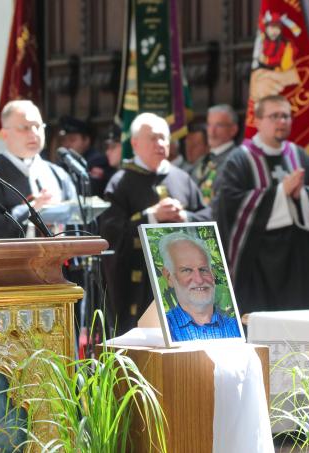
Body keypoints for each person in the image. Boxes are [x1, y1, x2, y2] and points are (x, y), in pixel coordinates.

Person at [214, 95, 309, 315]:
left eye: (286, 116)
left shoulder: (298, 155)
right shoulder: (240, 159)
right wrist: (279, 193)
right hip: (259, 261)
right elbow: (227, 205)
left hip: (298, 261)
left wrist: (303, 195)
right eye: (274, 116)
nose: (282, 121)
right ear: (257, 121)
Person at [99, 112, 210, 335]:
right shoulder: (120, 182)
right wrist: (151, 216)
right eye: (153, 138)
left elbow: (207, 218)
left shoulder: (182, 178)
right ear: (135, 143)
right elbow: (110, 232)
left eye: (164, 138)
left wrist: (185, 218)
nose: (160, 144)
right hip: (138, 284)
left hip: (183, 283)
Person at [0, 100, 76, 239]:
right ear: (5, 134)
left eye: (37, 126)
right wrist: (31, 209)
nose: (34, 133)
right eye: (25, 127)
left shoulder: (58, 175)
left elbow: (77, 225)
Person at [159, 232, 242, 341]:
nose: (199, 280)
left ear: (212, 274)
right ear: (169, 277)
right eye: (187, 270)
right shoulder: (163, 330)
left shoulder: (237, 328)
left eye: (203, 269)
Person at [195, 104, 243, 206]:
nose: (211, 131)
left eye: (219, 125)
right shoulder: (202, 160)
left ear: (233, 129)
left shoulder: (237, 160)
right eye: (209, 124)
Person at [57, 116, 110, 196]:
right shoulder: (63, 162)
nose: (67, 144)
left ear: (86, 140)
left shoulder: (97, 161)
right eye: (64, 140)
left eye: (72, 140)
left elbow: (89, 191)